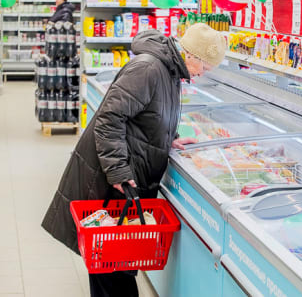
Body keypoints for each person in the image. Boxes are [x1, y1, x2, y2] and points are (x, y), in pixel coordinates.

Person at [41, 23, 226, 297]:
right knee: (109, 264)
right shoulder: (149, 68)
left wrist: (168, 139)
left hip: (127, 176)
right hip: (111, 180)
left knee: (120, 264)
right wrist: (117, 172)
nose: (202, 74)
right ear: (192, 56)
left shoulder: (170, 71)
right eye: (205, 67)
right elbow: (109, 119)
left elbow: (147, 115)